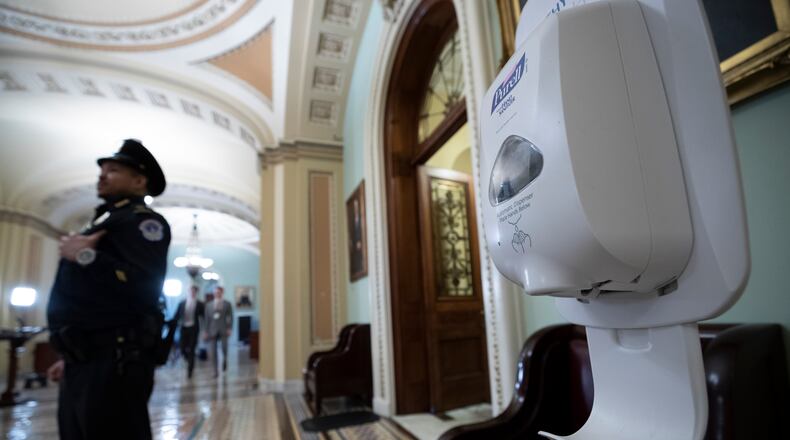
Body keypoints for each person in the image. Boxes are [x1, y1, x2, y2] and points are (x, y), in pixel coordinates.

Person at [46, 139, 171, 440]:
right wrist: (69, 356)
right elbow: (88, 298)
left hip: (114, 363)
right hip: (85, 357)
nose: (102, 175)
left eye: (113, 170)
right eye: (102, 170)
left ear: (139, 181)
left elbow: (144, 287)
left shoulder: (143, 222)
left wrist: (87, 256)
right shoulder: (104, 220)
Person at [172, 285, 205, 378]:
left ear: (196, 293)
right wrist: (172, 325)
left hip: (194, 329)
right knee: (182, 348)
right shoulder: (182, 303)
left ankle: (190, 370)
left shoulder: (200, 304)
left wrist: (206, 330)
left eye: (194, 291)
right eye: (191, 291)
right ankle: (189, 359)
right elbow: (176, 315)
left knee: (192, 349)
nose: (192, 293)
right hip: (183, 328)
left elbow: (204, 316)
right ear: (188, 291)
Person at [204, 285, 233, 377]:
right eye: (216, 292)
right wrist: (205, 331)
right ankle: (215, 371)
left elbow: (230, 317)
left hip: (223, 329)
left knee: (224, 348)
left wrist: (229, 328)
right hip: (212, 330)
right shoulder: (208, 305)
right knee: (213, 351)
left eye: (219, 292)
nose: (217, 294)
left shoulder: (227, 304)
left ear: (222, 293)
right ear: (214, 293)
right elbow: (206, 319)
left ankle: (225, 360)